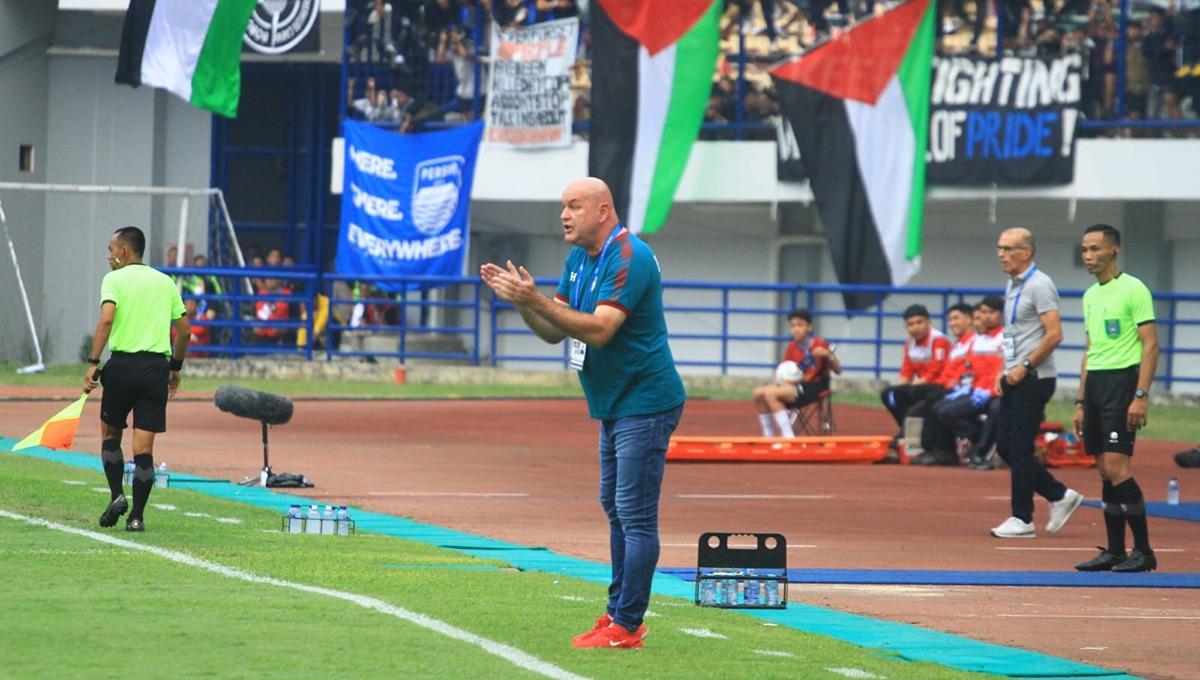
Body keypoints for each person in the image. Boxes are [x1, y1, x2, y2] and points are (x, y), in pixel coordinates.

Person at [480, 177, 685, 650]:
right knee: (616, 508)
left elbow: (599, 331)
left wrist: (534, 300)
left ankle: (627, 625)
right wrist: (523, 303)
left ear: (603, 210)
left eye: (573, 206)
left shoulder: (630, 257)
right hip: (614, 403)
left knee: (634, 515)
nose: (564, 216)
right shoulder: (579, 258)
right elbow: (555, 331)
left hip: (646, 400)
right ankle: (618, 614)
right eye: (562, 208)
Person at [83, 226, 189, 532]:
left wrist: (92, 362)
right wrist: (176, 367)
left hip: (122, 367)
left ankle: (117, 495)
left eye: (110, 249)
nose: (108, 255)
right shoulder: (164, 281)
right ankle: (138, 517)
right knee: (144, 448)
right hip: (155, 369)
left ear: (124, 252)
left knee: (111, 436)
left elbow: (106, 319)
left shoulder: (114, 279)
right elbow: (184, 330)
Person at [1073, 224, 1160, 572]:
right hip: (1096, 383)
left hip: (1123, 383)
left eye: (1095, 249)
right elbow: (1090, 348)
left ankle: (1144, 551)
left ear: (1113, 251)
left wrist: (1141, 395)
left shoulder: (1134, 288)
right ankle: (1114, 550)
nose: (1088, 256)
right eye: (1084, 250)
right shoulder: (1090, 295)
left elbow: (1151, 344)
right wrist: (1080, 401)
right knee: (1103, 471)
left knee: (1116, 466)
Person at [989, 227, 1083, 539]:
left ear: (1026, 253)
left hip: (1034, 377)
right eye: (1000, 248)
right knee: (1004, 445)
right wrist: (1004, 370)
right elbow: (1017, 333)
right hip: (1015, 375)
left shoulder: (1040, 285)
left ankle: (1022, 518)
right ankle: (1058, 494)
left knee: (1019, 448)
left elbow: (1054, 334)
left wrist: (1025, 365)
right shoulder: (1013, 284)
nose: (1001, 254)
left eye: (1008, 248)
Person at [929, 296, 1006, 465]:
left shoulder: (1005, 338)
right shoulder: (978, 340)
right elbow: (970, 368)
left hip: (997, 392)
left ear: (1001, 314)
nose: (986, 317)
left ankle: (983, 452)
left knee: (996, 408)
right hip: (976, 390)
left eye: (991, 312)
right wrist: (964, 388)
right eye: (983, 313)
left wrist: (989, 391)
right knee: (943, 410)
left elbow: (1003, 370)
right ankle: (977, 438)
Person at [752, 308, 842, 437]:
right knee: (758, 393)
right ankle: (769, 435)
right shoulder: (792, 346)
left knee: (771, 394)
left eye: (800, 325)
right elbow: (784, 370)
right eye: (792, 326)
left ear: (809, 327)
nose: (795, 329)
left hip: (815, 386)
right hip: (795, 385)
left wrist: (828, 355)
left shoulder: (820, 343)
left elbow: (838, 370)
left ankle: (788, 437)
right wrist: (778, 382)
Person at [907, 302, 974, 464]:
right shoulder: (958, 345)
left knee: (933, 400)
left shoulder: (974, 342)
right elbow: (948, 373)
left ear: (969, 320)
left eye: (956, 318)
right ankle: (924, 447)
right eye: (950, 320)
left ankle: (944, 451)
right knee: (916, 405)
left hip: (967, 390)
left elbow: (970, 371)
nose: (952, 324)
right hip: (951, 387)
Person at [879, 304, 952, 447]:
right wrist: (894, 390)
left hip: (940, 385)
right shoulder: (909, 344)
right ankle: (908, 430)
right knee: (889, 394)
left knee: (911, 393)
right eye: (910, 324)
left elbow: (936, 370)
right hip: (920, 386)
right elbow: (906, 372)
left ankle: (909, 434)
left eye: (919, 322)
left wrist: (913, 386)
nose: (915, 327)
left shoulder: (938, 341)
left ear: (928, 322)